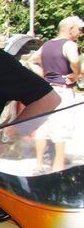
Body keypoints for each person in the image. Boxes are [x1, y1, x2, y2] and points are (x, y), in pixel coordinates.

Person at [32, 16, 82, 172]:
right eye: (79, 29)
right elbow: (75, 60)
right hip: (62, 90)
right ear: (70, 29)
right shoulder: (69, 44)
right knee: (62, 129)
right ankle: (58, 167)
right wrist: (76, 74)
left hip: (47, 90)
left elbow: (32, 60)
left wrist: (44, 75)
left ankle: (38, 165)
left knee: (43, 128)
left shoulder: (47, 44)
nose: (80, 33)